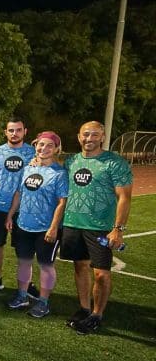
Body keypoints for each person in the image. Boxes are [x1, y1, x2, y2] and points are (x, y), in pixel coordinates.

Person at [61, 121, 132, 334]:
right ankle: (84, 308)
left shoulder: (114, 163)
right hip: (73, 223)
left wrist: (118, 229)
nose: (89, 138)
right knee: (80, 267)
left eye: (94, 135)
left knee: (101, 273)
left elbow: (124, 197)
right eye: (85, 134)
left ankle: (97, 315)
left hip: (100, 227)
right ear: (79, 137)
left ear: (102, 137)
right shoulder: (71, 161)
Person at [5, 131, 68, 318]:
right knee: (23, 262)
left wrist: (54, 227)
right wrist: (10, 215)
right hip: (24, 224)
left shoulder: (59, 173)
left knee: (46, 265)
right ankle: (22, 295)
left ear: (56, 149)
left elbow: (62, 202)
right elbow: (18, 193)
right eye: (41, 144)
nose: (44, 148)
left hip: (46, 229)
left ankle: (43, 302)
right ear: (35, 146)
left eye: (49, 145)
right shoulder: (28, 168)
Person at [0, 117, 36, 294]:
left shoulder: (34, 153)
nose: (15, 134)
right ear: (5, 132)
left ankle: (27, 284)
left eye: (18, 130)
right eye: (11, 130)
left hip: (24, 208)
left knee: (24, 249)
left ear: (25, 131)